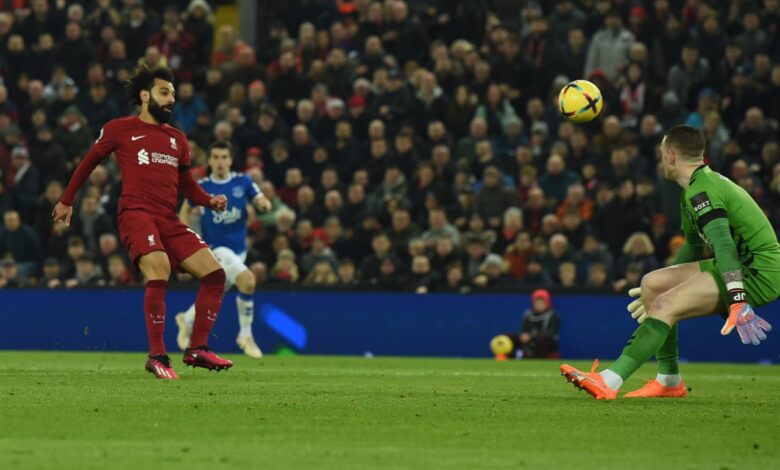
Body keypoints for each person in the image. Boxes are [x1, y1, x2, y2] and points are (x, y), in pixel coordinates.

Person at [561, 125, 778, 400]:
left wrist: (737, 297)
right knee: (653, 284)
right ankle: (669, 380)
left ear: (671, 156)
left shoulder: (703, 192)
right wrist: (670, 281)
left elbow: (723, 244)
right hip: (743, 262)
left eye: (662, 153)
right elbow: (694, 246)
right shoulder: (694, 188)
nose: (661, 158)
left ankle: (610, 380)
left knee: (665, 305)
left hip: (759, 270)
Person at [52, 65, 233, 380]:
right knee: (159, 267)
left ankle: (197, 349)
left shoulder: (177, 139)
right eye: (165, 93)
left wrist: (208, 200)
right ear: (145, 95)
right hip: (136, 213)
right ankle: (157, 355)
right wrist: (67, 199)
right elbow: (89, 161)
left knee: (215, 274)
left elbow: (187, 185)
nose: (171, 100)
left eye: (173, 94)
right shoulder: (119, 129)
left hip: (168, 218)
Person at [176, 140, 272, 358]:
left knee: (217, 291)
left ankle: (187, 319)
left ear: (230, 160)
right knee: (248, 281)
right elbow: (185, 209)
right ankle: (245, 336)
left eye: (224, 157)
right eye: (216, 157)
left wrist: (264, 204)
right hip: (215, 248)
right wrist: (185, 238)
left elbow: (259, 198)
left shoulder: (243, 181)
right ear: (209, 160)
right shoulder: (203, 185)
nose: (220, 162)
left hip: (239, 250)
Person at [490, 289, 560, 360]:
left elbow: (551, 332)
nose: (539, 305)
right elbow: (524, 330)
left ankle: (536, 358)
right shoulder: (528, 314)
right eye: (537, 302)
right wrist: (523, 336)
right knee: (506, 336)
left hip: (543, 341)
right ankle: (504, 356)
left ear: (547, 302)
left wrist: (532, 336)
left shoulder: (552, 315)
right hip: (528, 340)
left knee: (545, 341)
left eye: (542, 302)